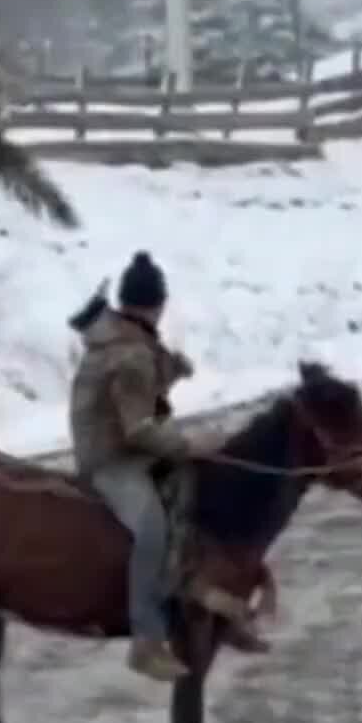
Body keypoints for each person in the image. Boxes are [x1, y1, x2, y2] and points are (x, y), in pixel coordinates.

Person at [68, 252, 267, 683]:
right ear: (158, 303)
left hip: (129, 449)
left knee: (201, 498)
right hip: (111, 460)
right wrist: (188, 445)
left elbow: (138, 391)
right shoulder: (130, 353)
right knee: (152, 526)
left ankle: (212, 606)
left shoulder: (129, 340)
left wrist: (171, 371)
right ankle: (147, 639)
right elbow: (137, 428)